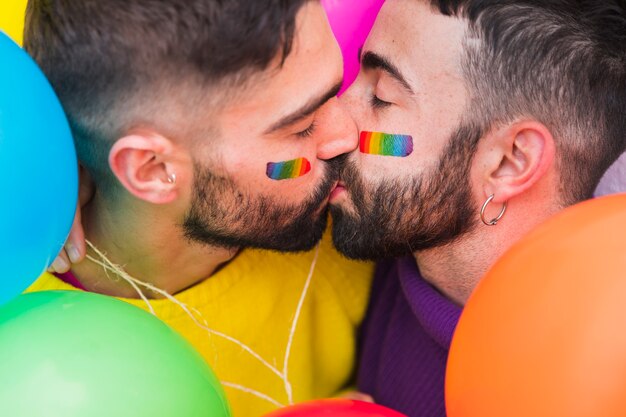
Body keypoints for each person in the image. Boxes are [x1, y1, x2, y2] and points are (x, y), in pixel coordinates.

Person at [23, 1, 373, 415]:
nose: (349, 134)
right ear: (153, 170)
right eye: (300, 126)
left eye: (338, 88)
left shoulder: (356, 216)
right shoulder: (22, 342)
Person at [329, 0, 626, 416]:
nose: (332, 125)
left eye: (381, 97)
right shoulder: (386, 238)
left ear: (509, 162)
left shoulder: (600, 385)